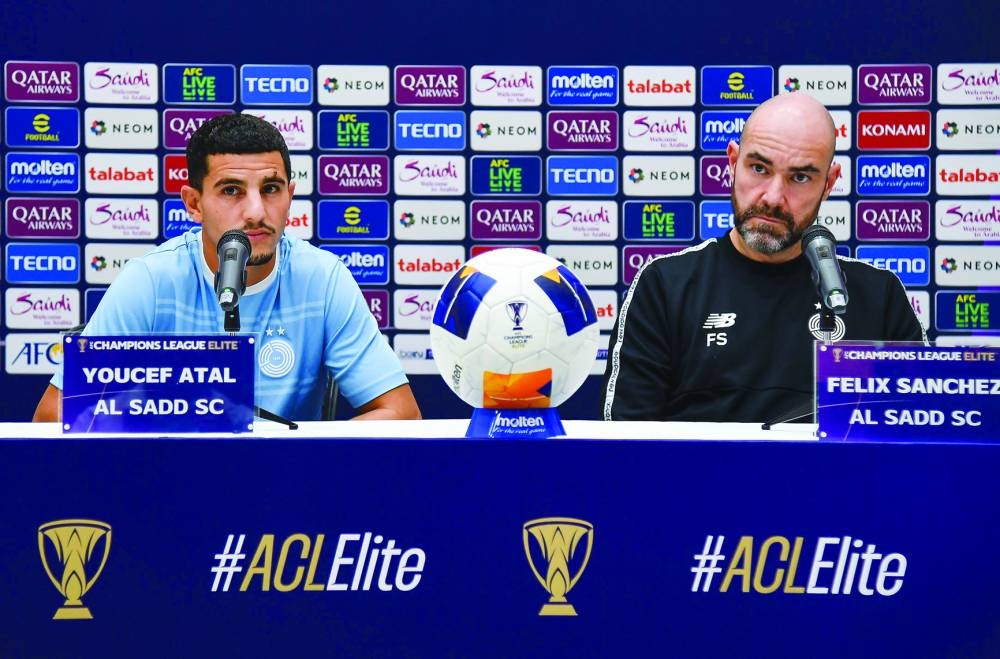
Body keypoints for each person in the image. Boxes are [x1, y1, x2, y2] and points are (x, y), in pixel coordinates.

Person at [34, 114, 420, 422]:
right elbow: (54, 416)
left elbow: (400, 414)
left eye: (271, 189)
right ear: (194, 203)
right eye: (231, 190)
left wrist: (293, 452)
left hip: (284, 497)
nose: (256, 212)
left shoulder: (323, 279)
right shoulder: (151, 281)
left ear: (290, 195)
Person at [601, 93, 926, 423]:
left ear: (829, 184)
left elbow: (919, 432)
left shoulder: (878, 296)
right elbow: (624, 448)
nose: (772, 197)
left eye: (800, 177)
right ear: (732, 163)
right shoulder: (665, 286)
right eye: (759, 168)